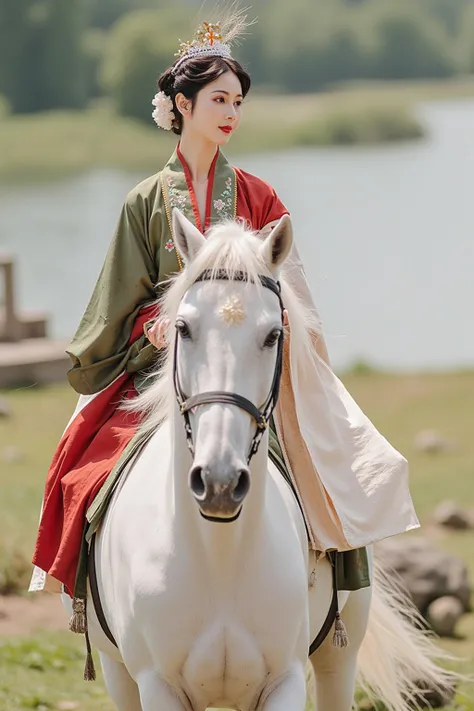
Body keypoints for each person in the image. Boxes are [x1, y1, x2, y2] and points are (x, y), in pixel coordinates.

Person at [30, 16, 419, 602]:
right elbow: (116, 299)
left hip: (251, 366)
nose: (231, 111)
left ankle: (336, 602)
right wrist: (152, 330)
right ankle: (98, 602)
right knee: (83, 471)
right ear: (182, 105)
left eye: (237, 100)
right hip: (161, 366)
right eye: (218, 99)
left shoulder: (262, 197)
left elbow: (296, 298)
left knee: (325, 469)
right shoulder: (145, 200)